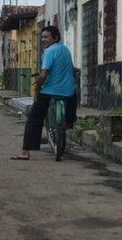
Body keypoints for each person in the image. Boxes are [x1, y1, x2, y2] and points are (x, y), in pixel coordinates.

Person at [11, 25, 76, 160]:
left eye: (46, 37)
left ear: (55, 38)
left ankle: (25, 152)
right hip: (67, 91)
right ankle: (69, 122)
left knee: (34, 119)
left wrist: (37, 89)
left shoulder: (49, 52)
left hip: (49, 91)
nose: (43, 39)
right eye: (42, 37)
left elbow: (43, 74)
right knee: (73, 96)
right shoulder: (65, 50)